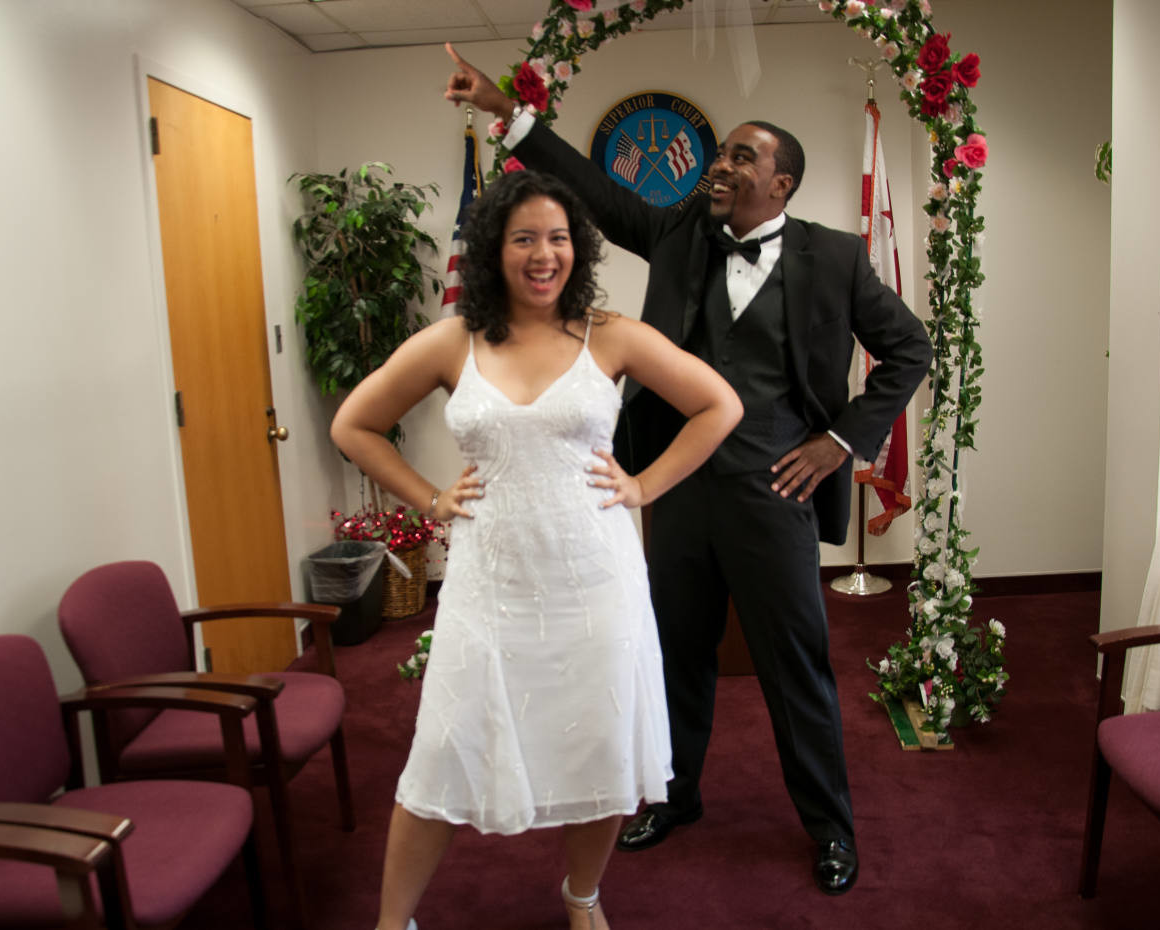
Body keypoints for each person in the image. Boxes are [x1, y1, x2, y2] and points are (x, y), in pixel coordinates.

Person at [444, 44, 933, 897]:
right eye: (721, 151)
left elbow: (908, 350)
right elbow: (593, 191)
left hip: (775, 491)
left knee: (795, 664)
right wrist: (506, 112)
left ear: (781, 184)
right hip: (672, 484)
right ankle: (672, 798)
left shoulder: (837, 259)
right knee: (673, 654)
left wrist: (841, 443)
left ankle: (829, 826)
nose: (722, 164)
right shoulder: (677, 233)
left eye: (744, 156)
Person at [331, 168, 742, 930]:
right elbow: (353, 425)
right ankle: (394, 924)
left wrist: (645, 485)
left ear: (576, 250)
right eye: (524, 239)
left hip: (595, 582)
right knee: (443, 751)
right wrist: (429, 498)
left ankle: (581, 895)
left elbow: (720, 405)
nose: (542, 254)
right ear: (495, 251)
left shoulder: (609, 333)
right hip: (491, 585)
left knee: (599, 748)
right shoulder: (454, 340)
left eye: (557, 238)